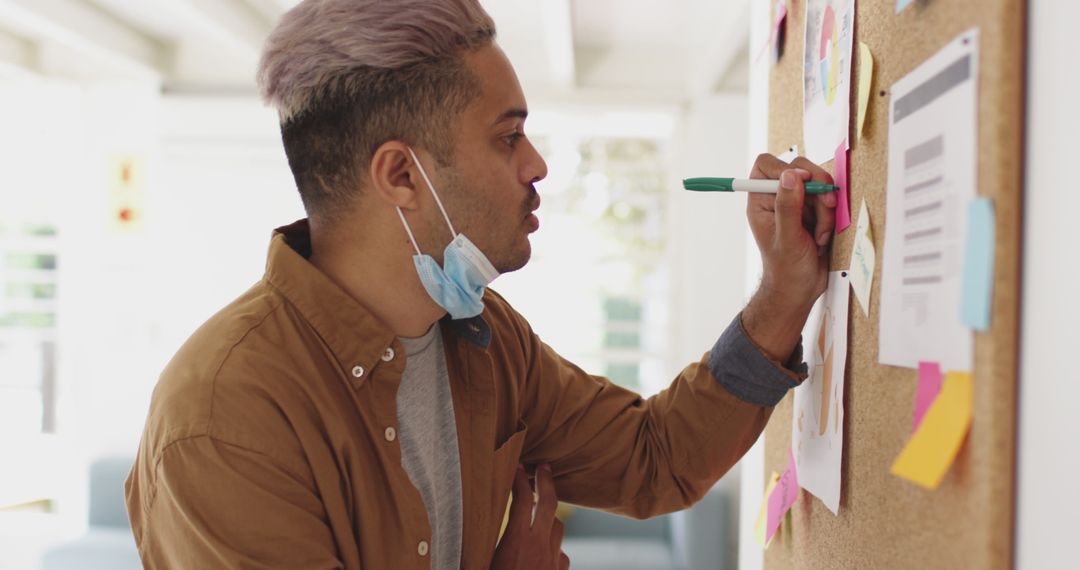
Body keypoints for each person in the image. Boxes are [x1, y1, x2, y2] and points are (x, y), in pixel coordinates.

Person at [124, 1, 837, 568]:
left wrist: (783, 293)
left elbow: (653, 459)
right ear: (402, 176)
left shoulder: (485, 340)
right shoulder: (221, 420)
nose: (537, 166)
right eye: (508, 137)